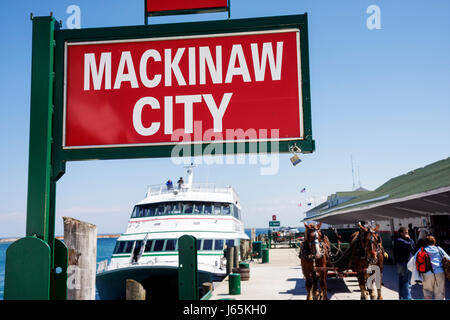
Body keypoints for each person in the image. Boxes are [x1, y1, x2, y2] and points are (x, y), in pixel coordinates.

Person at [408, 235, 449, 300]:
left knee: (427, 292)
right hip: (439, 273)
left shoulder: (421, 250)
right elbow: (448, 258)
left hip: (427, 274)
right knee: (439, 293)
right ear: (434, 242)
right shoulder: (439, 249)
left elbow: (413, 262)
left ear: (426, 242)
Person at [394, 227, 416, 300]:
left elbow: (413, 245)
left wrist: (409, 239)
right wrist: (409, 239)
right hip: (405, 263)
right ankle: (407, 297)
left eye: (407, 232)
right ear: (401, 233)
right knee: (406, 281)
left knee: (402, 281)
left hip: (401, 263)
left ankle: (402, 297)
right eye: (405, 232)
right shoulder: (400, 240)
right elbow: (411, 247)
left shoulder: (399, 240)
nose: (407, 234)